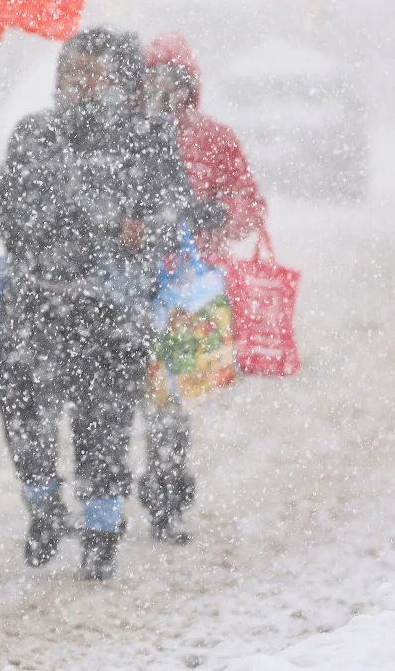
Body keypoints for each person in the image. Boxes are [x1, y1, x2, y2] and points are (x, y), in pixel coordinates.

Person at [0, 28, 194, 580]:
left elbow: (172, 214)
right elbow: (7, 224)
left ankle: (103, 531)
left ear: (121, 80)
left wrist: (147, 231)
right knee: (24, 419)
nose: (78, 83)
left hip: (110, 311)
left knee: (102, 426)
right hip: (32, 302)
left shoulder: (148, 137)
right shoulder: (34, 133)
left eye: (93, 72)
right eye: (70, 71)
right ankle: (43, 509)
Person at [136, 31, 267, 544]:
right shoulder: (125, 136)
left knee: (174, 394)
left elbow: (249, 203)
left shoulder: (214, 139)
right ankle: (124, 488)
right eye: (150, 79)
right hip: (134, 281)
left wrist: (217, 213)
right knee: (130, 395)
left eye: (170, 79)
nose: (159, 90)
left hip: (192, 289)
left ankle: (167, 487)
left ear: (188, 84)